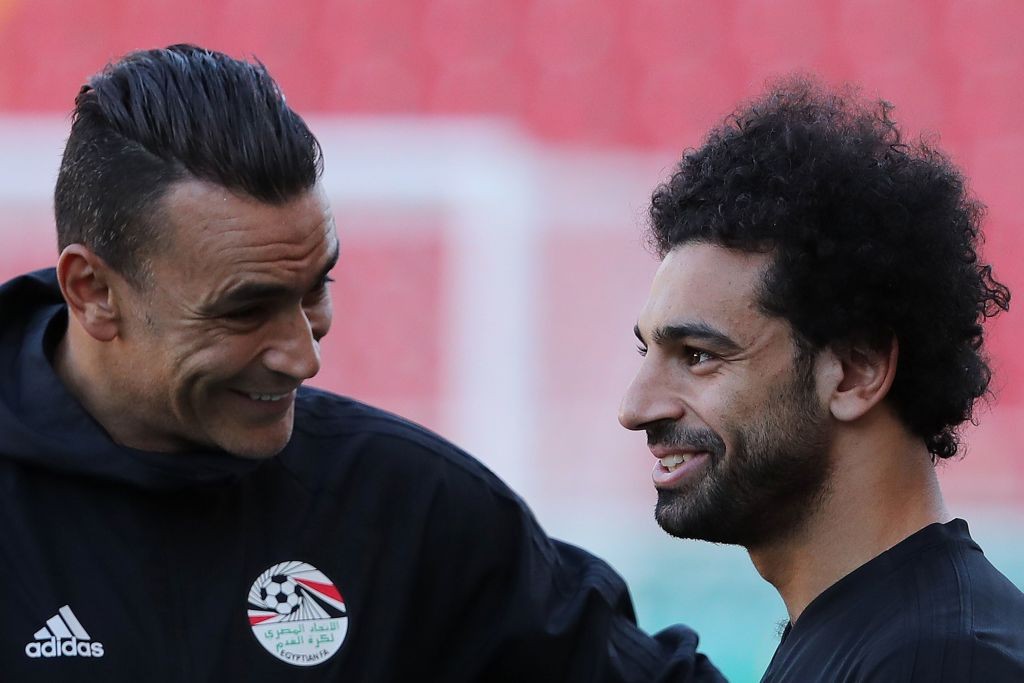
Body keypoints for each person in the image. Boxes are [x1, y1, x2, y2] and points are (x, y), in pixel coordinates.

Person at [0, 44, 723, 681]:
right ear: (92, 292)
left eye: (316, 289)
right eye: (244, 310)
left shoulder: (413, 507)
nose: (303, 356)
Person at [619, 77, 1024, 681]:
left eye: (699, 355)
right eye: (646, 351)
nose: (636, 406)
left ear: (856, 373)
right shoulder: (867, 633)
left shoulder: (943, 662)